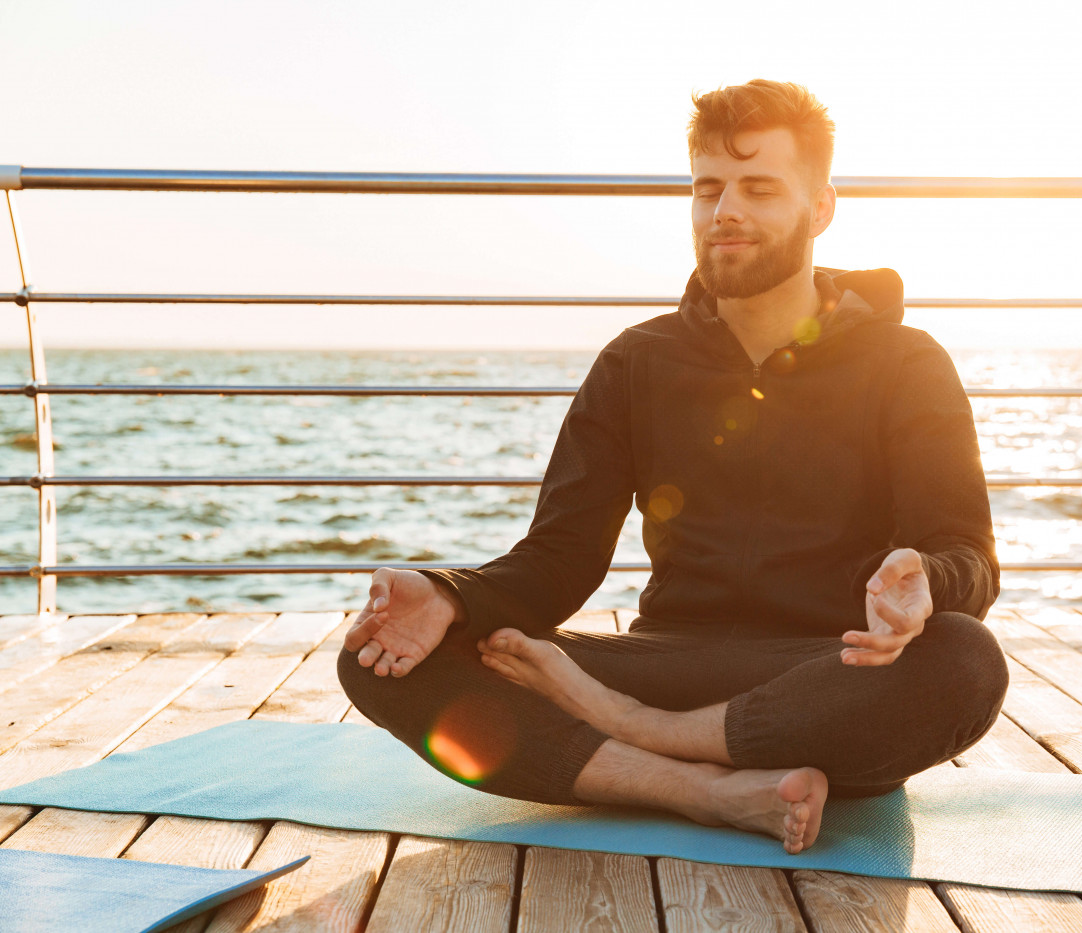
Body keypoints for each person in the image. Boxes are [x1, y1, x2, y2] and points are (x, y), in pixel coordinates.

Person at [338, 79, 1007, 855]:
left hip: (828, 678)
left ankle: (640, 741)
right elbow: (558, 562)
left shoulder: (907, 362)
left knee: (965, 658)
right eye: (708, 189)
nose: (726, 211)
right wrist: (447, 598)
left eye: (759, 189)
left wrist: (926, 581)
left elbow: (967, 558)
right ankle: (703, 787)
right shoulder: (636, 360)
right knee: (379, 657)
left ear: (820, 208)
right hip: (664, 661)